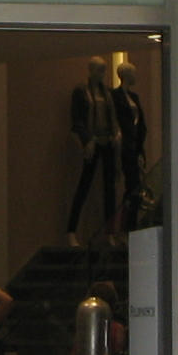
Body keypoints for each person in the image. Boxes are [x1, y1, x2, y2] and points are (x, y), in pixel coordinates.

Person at [65, 56, 118, 246]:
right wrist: (87, 139)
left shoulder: (108, 93)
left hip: (107, 142)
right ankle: (71, 231)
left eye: (104, 70)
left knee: (110, 189)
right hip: (92, 142)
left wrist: (115, 134)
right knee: (84, 186)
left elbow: (112, 118)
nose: (102, 74)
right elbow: (77, 120)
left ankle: (110, 232)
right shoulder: (81, 92)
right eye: (99, 69)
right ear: (91, 70)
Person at [111, 62, 146, 238]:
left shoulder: (134, 96)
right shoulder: (115, 96)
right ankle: (125, 227)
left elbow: (141, 124)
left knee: (136, 186)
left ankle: (129, 226)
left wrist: (140, 149)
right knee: (131, 185)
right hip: (124, 147)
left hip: (134, 146)